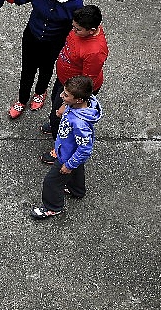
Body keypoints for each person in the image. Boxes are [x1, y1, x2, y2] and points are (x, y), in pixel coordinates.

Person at [0, 0, 84, 118]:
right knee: (27, 69)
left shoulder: (76, 4)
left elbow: (77, 28)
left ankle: (40, 92)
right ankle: (22, 100)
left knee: (46, 68)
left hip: (54, 41)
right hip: (32, 35)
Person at [40, 5, 109, 164]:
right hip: (65, 82)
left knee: (62, 119)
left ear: (91, 30)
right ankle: (55, 124)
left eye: (77, 29)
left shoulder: (95, 52)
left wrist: (67, 105)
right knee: (55, 109)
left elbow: (85, 85)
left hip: (74, 91)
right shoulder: (83, 27)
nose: (73, 30)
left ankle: (61, 149)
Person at [30, 75, 102, 219]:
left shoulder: (80, 124)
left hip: (66, 156)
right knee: (77, 169)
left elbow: (85, 149)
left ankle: (53, 207)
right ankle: (77, 190)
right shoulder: (83, 101)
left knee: (51, 182)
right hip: (70, 152)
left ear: (79, 100)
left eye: (66, 95)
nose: (62, 96)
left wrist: (69, 164)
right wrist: (65, 108)